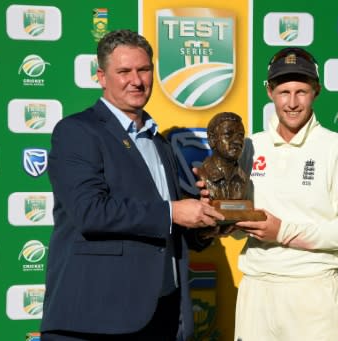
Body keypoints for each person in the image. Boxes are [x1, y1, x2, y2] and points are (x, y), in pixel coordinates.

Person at [40, 29, 224, 341]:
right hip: (96, 320)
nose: (136, 81)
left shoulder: (159, 142)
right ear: (102, 76)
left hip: (160, 315)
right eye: (124, 71)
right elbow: (90, 212)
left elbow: (169, 225)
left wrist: (210, 222)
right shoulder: (77, 131)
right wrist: (172, 212)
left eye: (144, 70)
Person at [233, 47, 338, 340]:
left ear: (316, 92)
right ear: (269, 91)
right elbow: (239, 227)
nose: (293, 103)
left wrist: (283, 231)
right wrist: (221, 220)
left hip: (312, 292)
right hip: (257, 290)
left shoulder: (336, 147)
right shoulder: (250, 147)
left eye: (302, 92)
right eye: (284, 92)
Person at [196, 111, 248, 201]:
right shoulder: (204, 174)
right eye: (228, 134)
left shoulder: (243, 178)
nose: (238, 141)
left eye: (241, 135)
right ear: (212, 140)